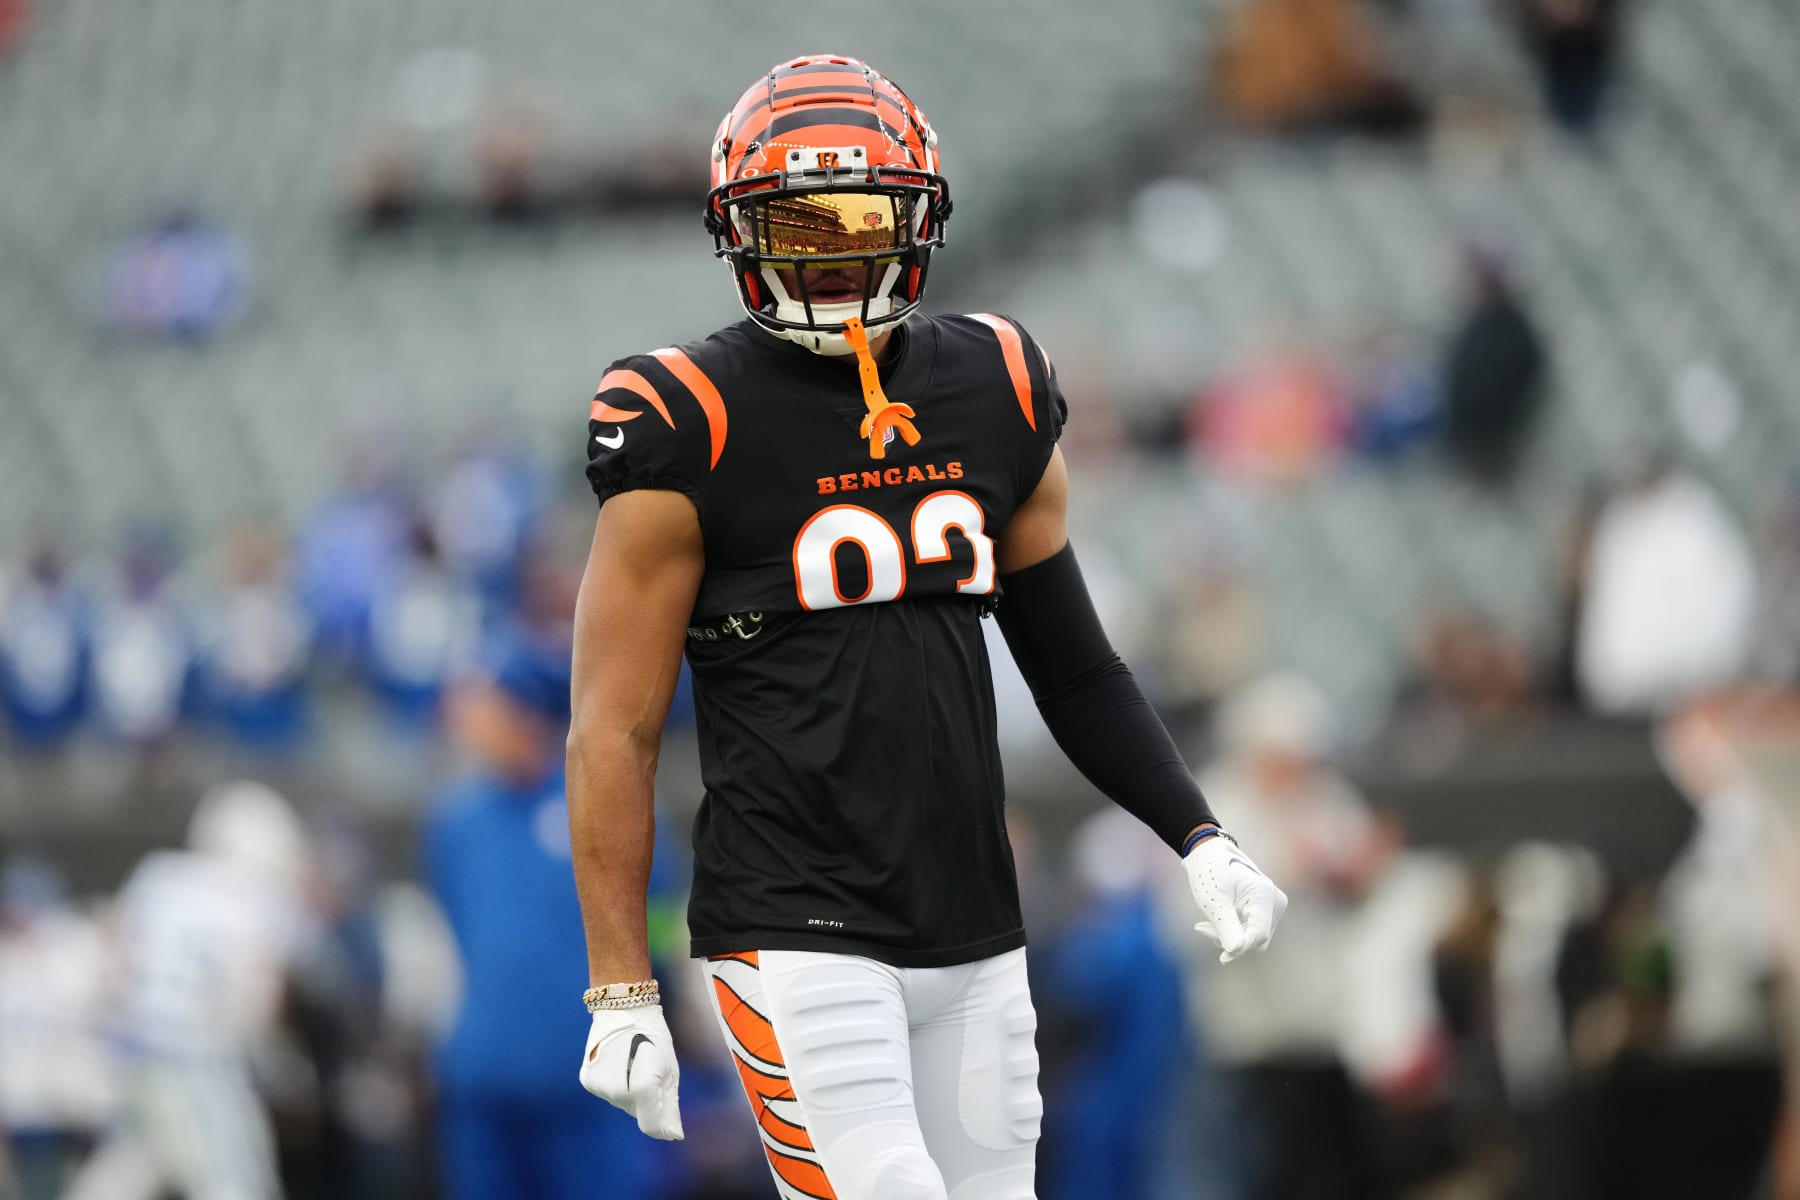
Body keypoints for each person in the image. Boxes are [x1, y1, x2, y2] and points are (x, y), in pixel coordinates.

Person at [566, 53, 1289, 1200]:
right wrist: (619, 988)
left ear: (921, 219)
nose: (834, 254)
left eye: (861, 220)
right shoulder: (684, 418)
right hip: (791, 924)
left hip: (974, 922)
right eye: (796, 226)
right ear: (739, 233)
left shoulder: (996, 381)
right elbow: (614, 730)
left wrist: (1198, 834)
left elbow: (1075, 665)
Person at [425, 641, 671, 1200]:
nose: (472, 720)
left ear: (527, 711)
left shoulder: (609, 804)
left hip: (590, 1084)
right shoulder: (454, 822)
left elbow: (659, 921)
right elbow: (460, 931)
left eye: (487, 703)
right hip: (484, 1081)